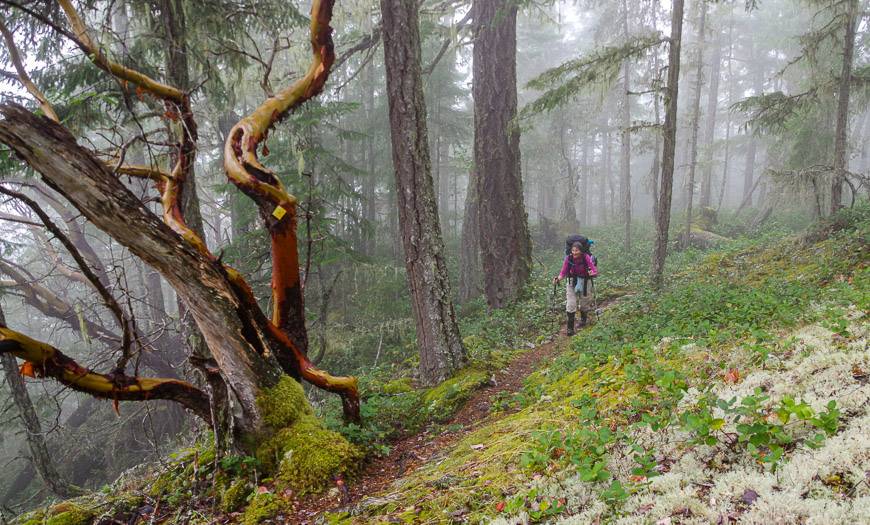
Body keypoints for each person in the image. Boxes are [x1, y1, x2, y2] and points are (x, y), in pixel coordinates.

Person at [553, 241, 598, 335]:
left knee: (584, 302)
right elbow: (563, 271)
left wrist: (592, 273)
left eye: (576, 250)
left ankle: (583, 320)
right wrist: (558, 279)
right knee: (571, 303)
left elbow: (594, 270)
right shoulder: (568, 258)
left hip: (585, 281)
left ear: (581, 251)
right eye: (573, 250)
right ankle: (570, 329)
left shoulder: (586, 257)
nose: (574, 252)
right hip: (571, 281)